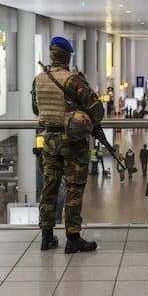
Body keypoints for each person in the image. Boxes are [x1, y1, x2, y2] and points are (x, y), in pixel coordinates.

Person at [31, 36, 104, 253]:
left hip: (50, 141)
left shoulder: (38, 79)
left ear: (51, 56)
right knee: (73, 188)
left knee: (49, 187)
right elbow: (98, 110)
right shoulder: (73, 80)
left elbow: (36, 110)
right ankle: (73, 238)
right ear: (67, 56)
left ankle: (46, 237)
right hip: (72, 143)